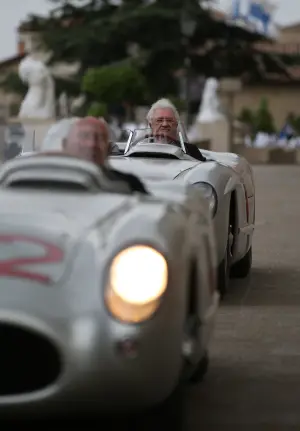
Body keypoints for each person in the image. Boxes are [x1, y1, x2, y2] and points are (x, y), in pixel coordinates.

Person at [62, 116, 148, 194]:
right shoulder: (51, 180)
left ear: (109, 149)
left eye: (99, 138)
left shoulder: (129, 185)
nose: (92, 144)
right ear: (65, 144)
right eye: (84, 136)